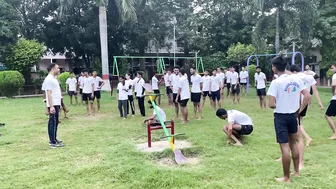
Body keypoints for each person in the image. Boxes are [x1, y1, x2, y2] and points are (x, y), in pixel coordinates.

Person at [267, 56, 311, 183]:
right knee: (294, 143)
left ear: (274, 68)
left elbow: (271, 104)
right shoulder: (296, 79)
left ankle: (286, 177)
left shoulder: (276, 82)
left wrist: (280, 104)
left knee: (284, 147)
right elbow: (307, 96)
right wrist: (299, 110)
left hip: (281, 116)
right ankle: (296, 171)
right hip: (293, 115)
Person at [290, 65, 323, 147]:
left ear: (293, 71)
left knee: (296, 122)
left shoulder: (293, 77)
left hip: (297, 102)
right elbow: (314, 90)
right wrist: (319, 102)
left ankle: (307, 137)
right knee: (299, 121)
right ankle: (304, 137)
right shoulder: (309, 77)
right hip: (305, 101)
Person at [42, 63, 64, 148]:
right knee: (53, 122)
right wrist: (51, 106)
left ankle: (54, 139)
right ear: (52, 69)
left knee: (55, 122)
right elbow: (49, 93)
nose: (59, 70)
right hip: (53, 104)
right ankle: (52, 142)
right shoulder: (49, 79)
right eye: (57, 68)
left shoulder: (54, 78)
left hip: (56, 103)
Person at [325, 63, 336, 140]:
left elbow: (333, 84)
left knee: (327, 115)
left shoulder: (335, 75)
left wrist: (333, 92)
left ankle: (335, 133)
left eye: (332, 68)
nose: (331, 70)